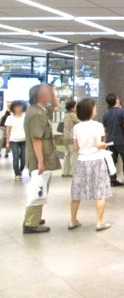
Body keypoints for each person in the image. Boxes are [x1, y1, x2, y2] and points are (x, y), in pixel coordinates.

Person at [23, 84, 61, 234]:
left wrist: (52, 93)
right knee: (38, 189)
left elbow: (57, 107)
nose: (51, 95)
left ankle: (34, 217)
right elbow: (36, 139)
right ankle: (31, 222)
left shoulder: (40, 110)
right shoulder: (37, 114)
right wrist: (40, 162)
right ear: (40, 96)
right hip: (41, 158)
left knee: (41, 188)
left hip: (43, 157)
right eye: (48, 93)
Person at [69, 98, 111, 232]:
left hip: (81, 161)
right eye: (94, 107)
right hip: (96, 160)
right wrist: (104, 145)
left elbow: (76, 147)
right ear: (90, 110)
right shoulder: (98, 126)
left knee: (76, 192)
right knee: (100, 192)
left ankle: (73, 220)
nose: (96, 108)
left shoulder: (76, 127)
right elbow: (99, 144)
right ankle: (100, 222)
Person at [5, 101, 26, 180]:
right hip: (13, 140)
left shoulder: (25, 116)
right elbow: (8, 131)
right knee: (16, 156)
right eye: (16, 107)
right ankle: (17, 173)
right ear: (13, 108)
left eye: (20, 106)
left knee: (24, 158)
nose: (18, 108)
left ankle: (21, 170)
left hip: (24, 140)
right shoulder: (10, 118)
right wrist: (7, 142)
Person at [61, 100, 79, 178]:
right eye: (76, 106)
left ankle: (65, 172)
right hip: (72, 138)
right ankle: (72, 172)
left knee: (67, 154)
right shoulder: (73, 115)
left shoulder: (65, 115)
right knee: (73, 155)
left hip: (65, 137)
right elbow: (79, 122)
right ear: (72, 107)